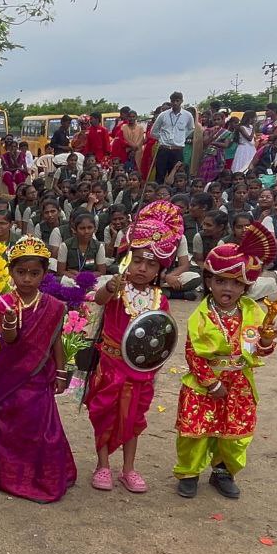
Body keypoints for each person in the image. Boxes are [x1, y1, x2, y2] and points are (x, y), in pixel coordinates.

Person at [173, 225, 277, 499]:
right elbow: (193, 353)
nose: (228, 288)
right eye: (221, 281)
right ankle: (189, 473)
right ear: (209, 281)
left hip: (239, 384)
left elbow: (258, 350)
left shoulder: (253, 311)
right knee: (195, 433)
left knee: (235, 434)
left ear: (245, 286)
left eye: (236, 283)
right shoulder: (201, 315)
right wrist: (211, 383)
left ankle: (223, 472)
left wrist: (266, 342)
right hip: (204, 384)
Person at [85, 205, 181, 492]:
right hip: (110, 367)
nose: (142, 268)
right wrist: (110, 287)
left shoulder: (159, 299)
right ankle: (103, 465)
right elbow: (98, 300)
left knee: (133, 419)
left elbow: (162, 336)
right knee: (105, 415)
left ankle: (129, 469)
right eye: (137, 261)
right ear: (127, 260)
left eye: (151, 265)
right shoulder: (117, 289)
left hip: (140, 372)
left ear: (160, 269)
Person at [0, 236, 75, 502]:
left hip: (39, 377)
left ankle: (42, 475)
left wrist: (61, 372)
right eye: (21, 272)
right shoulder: (6, 302)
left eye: (34, 273)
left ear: (44, 274)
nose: (27, 279)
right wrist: (9, 321)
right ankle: (6, 473)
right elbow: (9, 340)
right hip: (10, 376)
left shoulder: (53, 306)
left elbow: (56, 341)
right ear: (11, 272)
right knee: (8, 422)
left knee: (41, 426)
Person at [150, 93, 193, 183]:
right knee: (160, 175)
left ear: (181, 101)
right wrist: (162, 138)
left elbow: (191, 128)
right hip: (164, 149)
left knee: (176, 176)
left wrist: (181, 138)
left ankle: (173, 192)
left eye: (177, 101)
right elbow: (153, 132)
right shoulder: (163, 115)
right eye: (173, 101)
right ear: (171, 101)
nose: (175, 103)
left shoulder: (187, 115)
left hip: (178, 150)